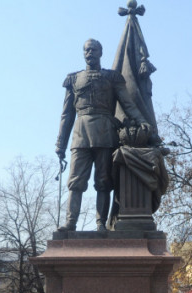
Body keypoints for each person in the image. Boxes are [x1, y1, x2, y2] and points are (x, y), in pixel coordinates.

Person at [55, 38, 151, 232]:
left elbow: (127, 103)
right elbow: (66, 115)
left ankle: (101, 224)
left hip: (105, 133)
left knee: (103, 181)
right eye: (87, 50)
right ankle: (71, 222)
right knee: (75, 181)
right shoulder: (73, 79)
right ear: (83, 53)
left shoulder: (111, 78)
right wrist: (60, 144)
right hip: (80, 135)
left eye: (94, 50)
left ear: (100, 52)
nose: (90, 53)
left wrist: (142, 121)